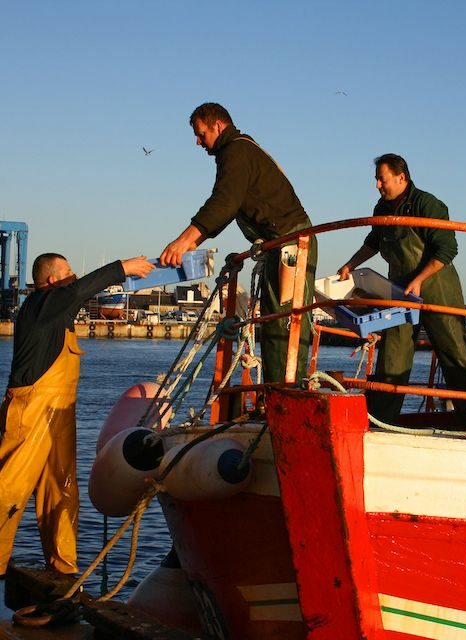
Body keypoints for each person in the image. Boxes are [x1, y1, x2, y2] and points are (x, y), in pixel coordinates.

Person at [0, 253, 154, 576]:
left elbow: (79, 293)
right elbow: (78, 290)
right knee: (8, 488)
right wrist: (122, 268)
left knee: (62, 491)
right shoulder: (41, 305)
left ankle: (63, 569)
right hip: (30, 411)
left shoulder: (60, 311)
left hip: (59, 413)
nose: (74, 277)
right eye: (68, 272)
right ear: (53, 281)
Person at [160, 102, 317, 383]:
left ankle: (288, 394)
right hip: (279, 244)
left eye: (200, 134)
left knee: (284, 322)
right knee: (275, 322)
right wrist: (197, 239)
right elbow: (228, 204)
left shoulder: (237, 151)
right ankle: (277, 394)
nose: (198, 142)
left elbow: (224, 202)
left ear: (218, 126)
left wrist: (184, 241)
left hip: (291, 244)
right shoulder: (239, 150)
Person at [338, 153, 466, 424]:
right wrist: (350, 264)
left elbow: (447, 248)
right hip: (398, 292)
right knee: (393, 351)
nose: (377, 186)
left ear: (401, 177)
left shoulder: (428, 204)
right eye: (376, 180)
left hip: (438, 288)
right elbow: (373, 240)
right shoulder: (381, 208)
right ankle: (381, 419)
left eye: (381, 180)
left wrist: (420, 278)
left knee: (453, 350)